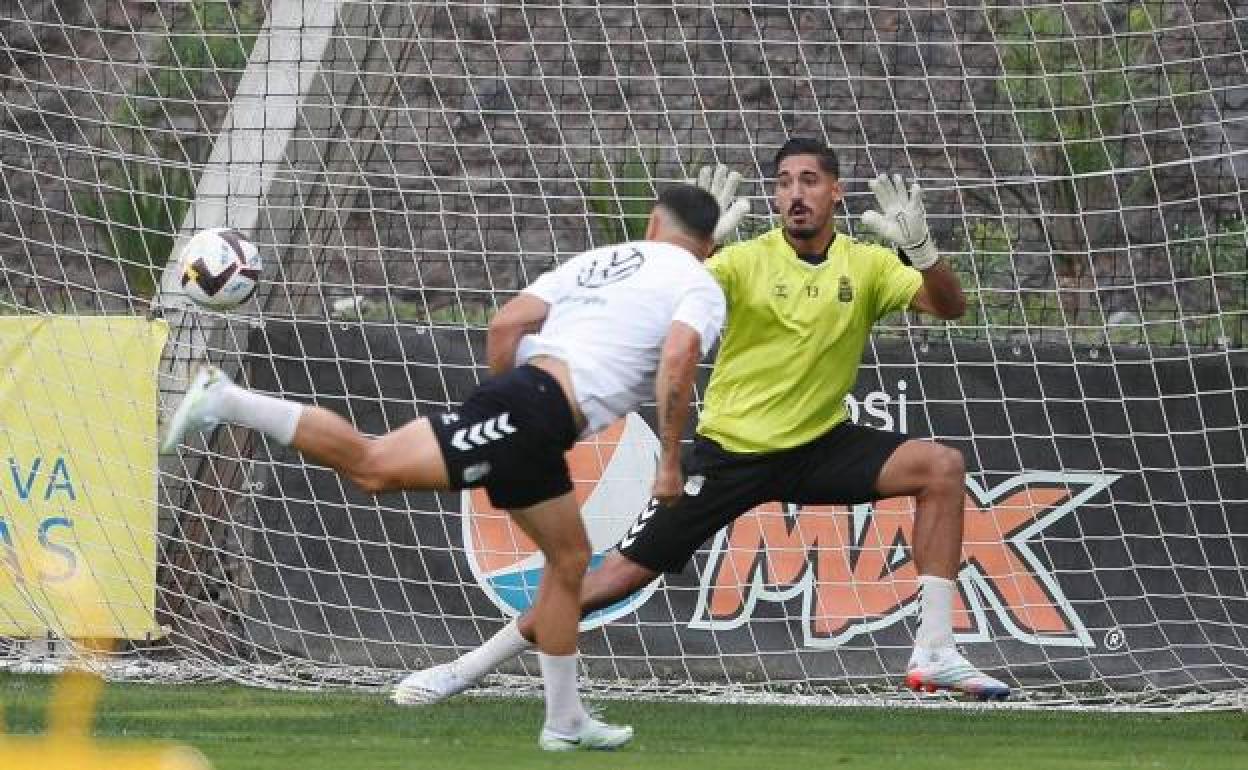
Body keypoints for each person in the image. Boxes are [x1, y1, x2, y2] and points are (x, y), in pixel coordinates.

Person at [396, 137, 1013, 705]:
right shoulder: (742, 262)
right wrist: (697, 247)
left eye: (809, 181)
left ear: (835, 192)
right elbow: (664, 293)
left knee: (941, 468)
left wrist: (924, 253)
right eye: (783, 183)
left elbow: (949, 307)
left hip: (819, 445)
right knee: (610, 580)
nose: (795, 194)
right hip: (729, 456)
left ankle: (934, 650)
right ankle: (468, 668)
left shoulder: (870, 265)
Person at [159, 184, 728, 750]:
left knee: (570, 559)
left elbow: (507, 324)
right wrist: (668, 459)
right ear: (707, 242)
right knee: (373, 466)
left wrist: (508, 391)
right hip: (531, 413)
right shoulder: (698, 284)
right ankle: (226, 401)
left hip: (530, 410)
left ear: (654, 223)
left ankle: (564, 720)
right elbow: (677, 360)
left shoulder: (601, 261)